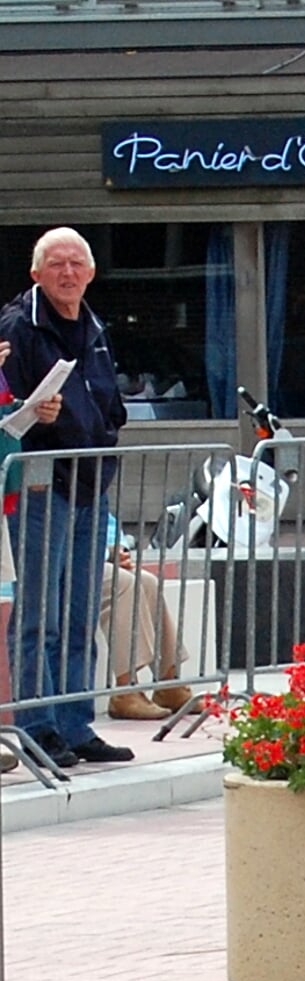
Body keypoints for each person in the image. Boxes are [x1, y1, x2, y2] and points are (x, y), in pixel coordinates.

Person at [0, 228, 135, 768]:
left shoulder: (96, 325)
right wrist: (39, 420)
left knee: (80, 611)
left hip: (88, 481)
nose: (67, 272)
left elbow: (108, 398)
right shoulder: (17, 326)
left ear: (92, 272)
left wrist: (106, 429)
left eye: (77, 263)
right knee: (39, 613)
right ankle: (39, 725)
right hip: (39, 483)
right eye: (56, 264)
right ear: (36, 274)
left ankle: (77, 724)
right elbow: (8, 411)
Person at [100, 513, 193, 722]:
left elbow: (107, 523)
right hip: (68, 562)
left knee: (147, 582)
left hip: (94, 557)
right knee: (123, 584)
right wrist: (105, 553)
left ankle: (169, 683)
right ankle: (126, 691)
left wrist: (118, 549)